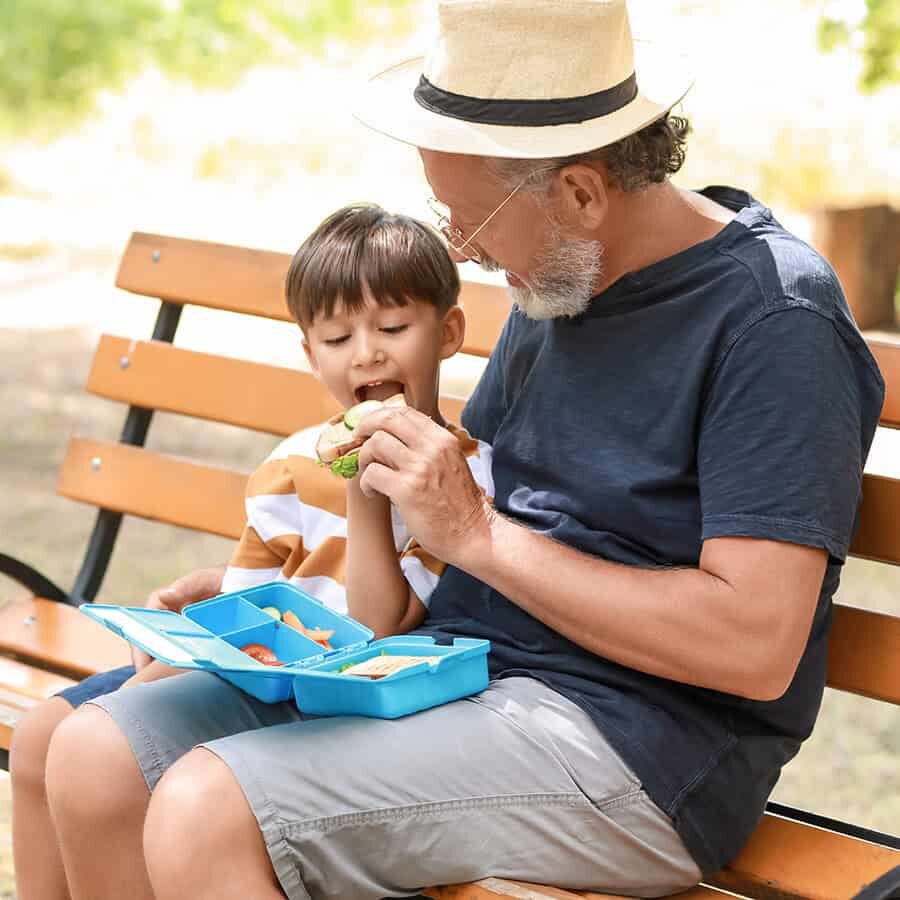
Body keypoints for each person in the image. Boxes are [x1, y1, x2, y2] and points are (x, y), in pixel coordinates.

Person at [18, 0, 888, 897]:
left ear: (582, 192)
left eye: (468, 218)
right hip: (452, 668)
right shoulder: (563, 279)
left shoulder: (774, 323)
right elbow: (455, 517)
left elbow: (753, 645)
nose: (460, 249)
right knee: (89, 753)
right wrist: (271, 600)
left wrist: (476, 535)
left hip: (634, 747)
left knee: (208, 806)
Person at [9, 203, 493, 899]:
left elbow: (380, 626)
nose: (368, 354)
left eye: (393, 328)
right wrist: (145, 675)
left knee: (98, 754)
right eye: (337, 337)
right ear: (310, 353)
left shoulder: (461, 476)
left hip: (336, 701)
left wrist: (363, 493)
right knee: (43, 740)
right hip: (251, 673)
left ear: (447, 333)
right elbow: (241, 616)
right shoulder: (291, 466)